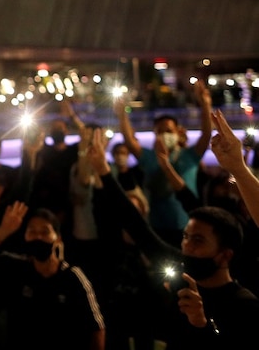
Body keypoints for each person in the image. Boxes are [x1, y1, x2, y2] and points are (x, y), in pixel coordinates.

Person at [85, 127, 259, 349]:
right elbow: (137, 226)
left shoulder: (244, 305)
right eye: (186, 237)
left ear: (225, 254)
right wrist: (103, 170)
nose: (186, 246)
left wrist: (200, 324)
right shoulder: (181, 277)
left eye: (198, 241)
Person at [0, 203, 106, 350]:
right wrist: (3, 231)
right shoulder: (16, 268)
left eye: (45, 232)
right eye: (32, 231)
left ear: (57, 238)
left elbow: (96, 327)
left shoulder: (72, 277)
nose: (38, 237)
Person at [115, 81, 212, 247]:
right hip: (158, 227)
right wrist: (122, 114)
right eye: (160, 131)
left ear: (177, 132)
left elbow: (206, 135)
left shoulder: (190, 155)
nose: (164, 135)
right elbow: (130, 142)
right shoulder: (149, 157)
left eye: (169, 131)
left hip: (189, 225)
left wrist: (205, 105)